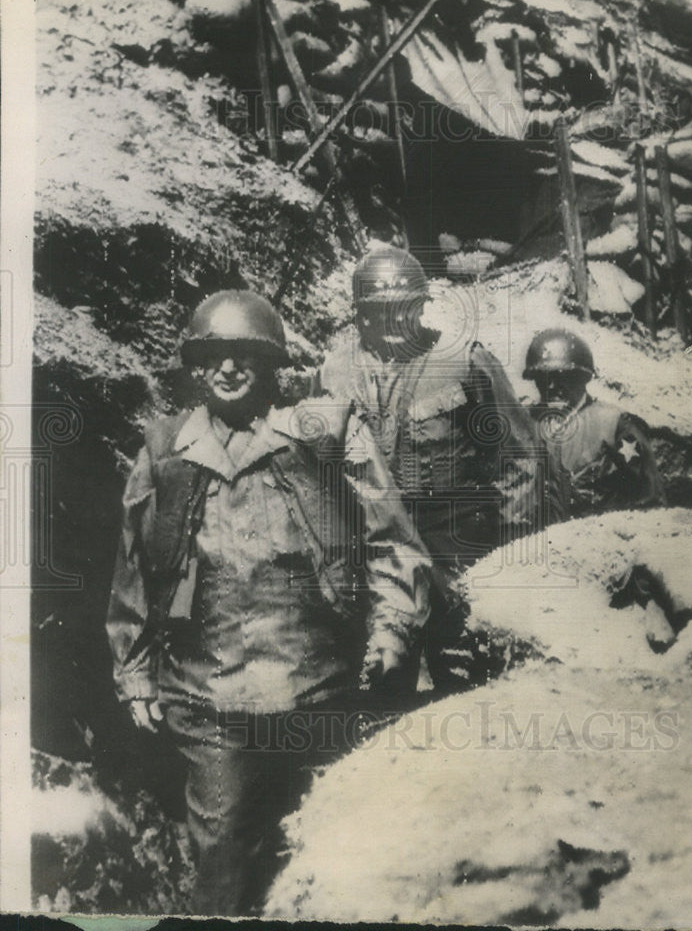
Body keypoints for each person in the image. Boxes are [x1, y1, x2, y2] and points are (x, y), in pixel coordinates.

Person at [106, 290, 429, 916]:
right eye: (213, 356)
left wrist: (393, 631)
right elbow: (135, 572)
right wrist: (135, 670)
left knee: (336, 859)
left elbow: (393, 542)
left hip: (323, 691)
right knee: (224, 861)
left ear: (272, 362)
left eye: (245, 354)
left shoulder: (328, 432)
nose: (228, 368)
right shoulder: (163, 452)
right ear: (195, 368)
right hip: (209, 700)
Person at [319, 246, 545, 690]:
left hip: (454, 549)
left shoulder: (462, 361)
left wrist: (507, 553)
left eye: (402, 311)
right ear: (359, 314)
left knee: (464, 682)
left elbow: (521, 457)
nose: (389, 323)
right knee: (381, 682)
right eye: (375, 313)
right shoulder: (333, 372)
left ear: (421, 308)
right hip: (374, 554)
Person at [523, 328, 665, 520]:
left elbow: (650, 498)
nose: (550, 387)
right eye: (542, 379)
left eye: (559, 376)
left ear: (582, 377)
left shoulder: (616, 425)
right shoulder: (528, 424)